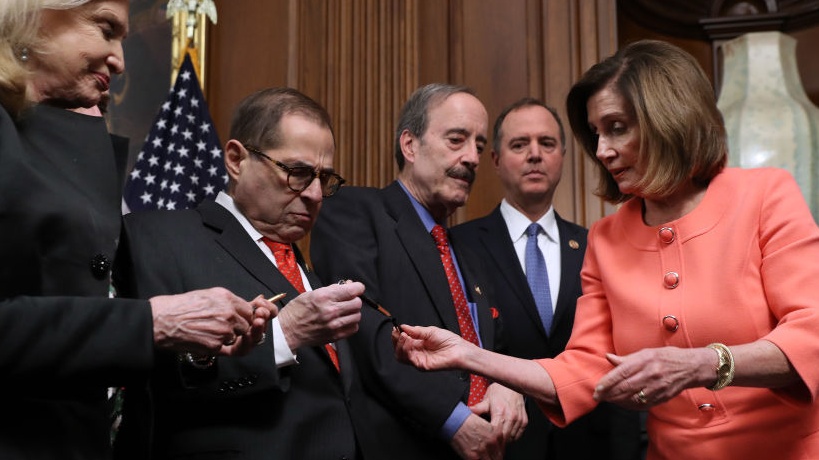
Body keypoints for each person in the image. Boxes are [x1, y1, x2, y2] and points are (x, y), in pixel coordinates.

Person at [394, 40, 819, 459]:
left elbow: (810, 334)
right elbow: (582, 369)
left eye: (617, 127)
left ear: (668, 117)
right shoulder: (605, 238)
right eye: (596, 133)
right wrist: (468, 355)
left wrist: (703, 364)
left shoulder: (765, 194)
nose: (601, 151)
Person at [0, 1, 271, 458]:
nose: (121, 60)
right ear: (31, 13)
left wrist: (194, 342)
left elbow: (88, 320)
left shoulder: (51, 136)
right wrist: (154, 322)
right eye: (106, 29)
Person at [113, 87, 402, 460]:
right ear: (236, 159)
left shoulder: (311, 273)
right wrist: (283, 335)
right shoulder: (157, 238)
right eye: (297, 173)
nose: (315, 193)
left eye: (324, 178)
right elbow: (152, 388)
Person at [310, 83, 527, 460]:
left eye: (478, 144)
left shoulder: (468, 251)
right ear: (409, 145)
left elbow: (496, 346)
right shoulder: (354, 212)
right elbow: (362, 328)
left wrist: (508, 385)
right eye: (457, 139)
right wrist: (452, 419)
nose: (473, 157)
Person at [451, 97, 642, 460]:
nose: (534, 154)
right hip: (500, 445)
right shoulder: (460, 246)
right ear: (495, 160)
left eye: (547, 143)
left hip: (591, 446)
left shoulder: (597, 245)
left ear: (562, 157)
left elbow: (619, 358)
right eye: (519, 145)